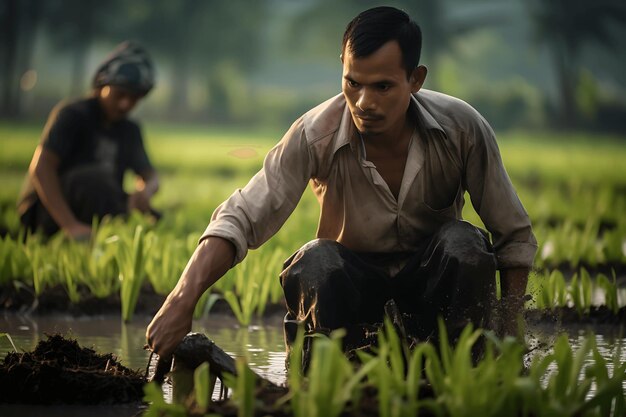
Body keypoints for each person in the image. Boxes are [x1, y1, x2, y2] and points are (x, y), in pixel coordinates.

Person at [146, 6, 537, 360]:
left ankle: (466, 368)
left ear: (415, 80)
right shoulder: (315, 133)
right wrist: (181, 301)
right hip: (348, 296)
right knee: (316, 260)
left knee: (464, 245)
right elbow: (242, 216)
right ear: (342, 70)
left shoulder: (461, 129)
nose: (364, 102)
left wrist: (511, 329)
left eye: (382, 86)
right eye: (353, 83)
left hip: (432, 292)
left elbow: (513, 235)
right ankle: (333, 375)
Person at [18, 41, 159, 239]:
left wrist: (144, 191)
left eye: (134, 98)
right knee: (93, 179)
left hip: (95, 205)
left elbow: (151, 176)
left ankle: (108, 232)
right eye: (119, 94)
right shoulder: (72, 115)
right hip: (46, 213)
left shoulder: (129, 130)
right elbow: (41, 168)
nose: (125, 104)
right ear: (102, 84)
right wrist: (71, 226)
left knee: (146, 211)